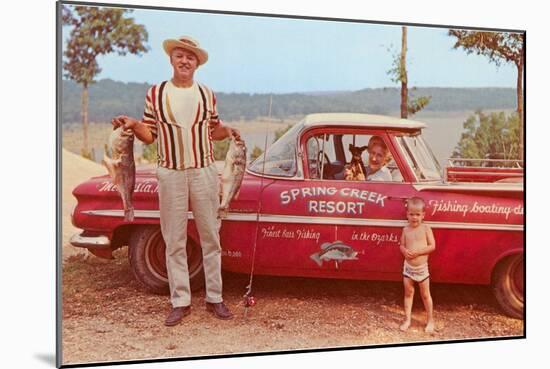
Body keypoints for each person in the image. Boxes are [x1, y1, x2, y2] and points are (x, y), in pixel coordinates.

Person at [112, 35, 239, 326]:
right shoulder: (155, 94)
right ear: (171, 59)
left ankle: (215, 297)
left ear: (197, 63)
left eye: (190, 57)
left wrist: (229, 131)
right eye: (180, 55)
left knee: (210, 236)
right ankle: (180, 301)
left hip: (204, 171)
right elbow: (149, 135)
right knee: (174, 238)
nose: (184, 61)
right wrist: (133, 125)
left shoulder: (207, 94)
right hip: (170, 172)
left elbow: (213, 130)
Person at [399, 197, 436, 333]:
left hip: (421, 269)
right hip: (408, 268)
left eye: (418, 214)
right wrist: (404, 251)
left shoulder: (426, 228)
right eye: (411, 214)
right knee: (408, 293)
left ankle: (430, 320)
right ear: (407, 214)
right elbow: (402, 245)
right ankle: (407, 319)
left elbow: (432, 246)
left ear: (423, 215)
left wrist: (419, 252)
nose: (414, 217)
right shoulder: (405, 230)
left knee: (426, 295)